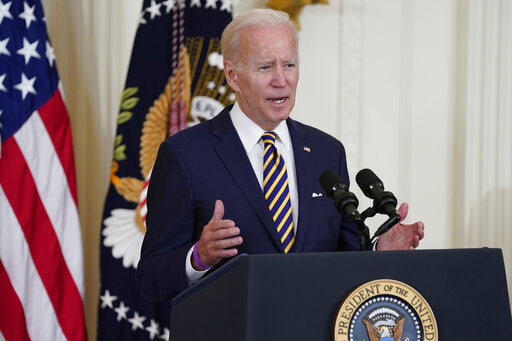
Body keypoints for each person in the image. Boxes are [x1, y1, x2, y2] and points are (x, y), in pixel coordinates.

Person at [136, 8, 424, 302]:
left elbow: (343, 262)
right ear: (232, 75)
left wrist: (378, 253)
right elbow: (150, 279)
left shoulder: (327, 151)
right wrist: (197, 258)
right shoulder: (185, 156)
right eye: (265, 67)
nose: (281, 80)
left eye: (289, 65)